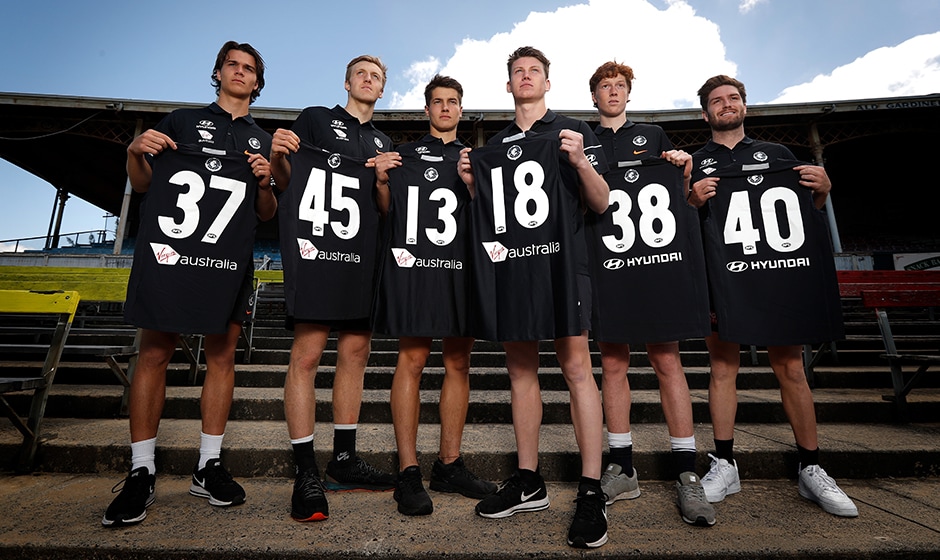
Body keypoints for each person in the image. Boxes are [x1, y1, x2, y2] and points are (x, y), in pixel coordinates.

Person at [103, 41, 276, 527]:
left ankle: (208, 464)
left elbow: (266, 214)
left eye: (249, 68)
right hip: (173, 254)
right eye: (232, 65)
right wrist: (135, 151)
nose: (239, 72)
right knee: (154, 353)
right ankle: (141, 469)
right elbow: (142, 183)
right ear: (217, 73)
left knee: (222, 356)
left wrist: (266, 182)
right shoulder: (181, 120)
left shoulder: (261, 140)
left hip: (227, 259)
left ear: (257, 82)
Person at [458, 46, 610, 549]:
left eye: (534, 71)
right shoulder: (496, 144)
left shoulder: (573, 129)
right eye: (518, 72)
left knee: (577, 368)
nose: (526, 77)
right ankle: (529, 480)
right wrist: (472, 186)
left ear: (547, 82)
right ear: (508, 85)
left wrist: (581, 161)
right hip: (514, 267)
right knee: (520, 371)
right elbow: (492, 212)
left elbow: (601, 202)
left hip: (563, 265)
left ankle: (591, 489)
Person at [687, 74, 858, 518]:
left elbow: (805, 216)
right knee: (722, 367)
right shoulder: (695, 163)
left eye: (734, 98)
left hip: (776, 273)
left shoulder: (778, 155)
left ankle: (811, 466)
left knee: (791, 368)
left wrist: (823, 192)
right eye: (717, 101)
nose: (727, 104)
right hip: (724, 278)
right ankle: (725, 462)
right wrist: (691, 202)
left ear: (745, 106)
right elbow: (683, 228)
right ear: (705, 113)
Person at [585, 61, 715, 526]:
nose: (613, 92)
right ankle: (622, 466)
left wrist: (684, 171)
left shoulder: (654, 135)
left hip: (656, 259)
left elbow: (679, 196)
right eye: (605, 86)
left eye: (620, 86)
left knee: (667, 360)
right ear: (594, 96)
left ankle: (686, 471)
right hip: (607, 261)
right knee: (613, 364)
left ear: (628, 93)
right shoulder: (581, 138)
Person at [269, 54, 398, 523]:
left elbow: (385, 208)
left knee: (356, 353)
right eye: (361, 73)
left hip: (363, 254)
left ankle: (343, 459)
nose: (368, 80)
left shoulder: (384, 142)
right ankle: (305, 471)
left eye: (376, 77)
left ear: (382, 90)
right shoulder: (316, 119)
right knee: (306, 355)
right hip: (319, 248)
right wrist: (278, 155)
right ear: (346, 82)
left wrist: (381, 180)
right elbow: (285, 180)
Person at [372, 75, 497, 516]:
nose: (445, 108)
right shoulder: (402, 155)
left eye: (453, 101)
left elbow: (491, 214)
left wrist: (473, 183)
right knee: (412, 359)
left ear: (461, 109)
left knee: (459, 362)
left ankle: (449, 464)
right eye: (438, 101)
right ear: (426, 109)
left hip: (460, 268)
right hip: (416, 266)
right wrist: (382, 182)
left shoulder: (476, 159)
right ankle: (408, 471)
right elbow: (386, 211)